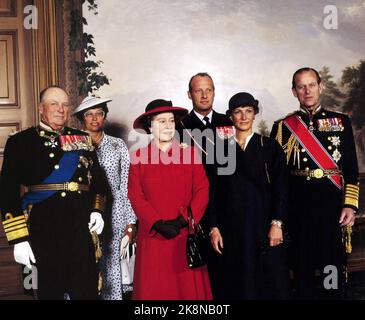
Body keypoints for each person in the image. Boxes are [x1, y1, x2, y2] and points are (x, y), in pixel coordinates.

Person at [0, 86, 108, 299]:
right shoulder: (21, 142)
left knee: (86, 293)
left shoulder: (82, 139)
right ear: (41, 109)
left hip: (81, 232)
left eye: (65, 104)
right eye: (54, 104)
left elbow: (99, 182)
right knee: (48, 293)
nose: (61, 109)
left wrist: (97, 210)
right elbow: (7, 193)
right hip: (42, 232)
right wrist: (19, 239)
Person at [270, 67, 359, 299]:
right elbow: (277, 177)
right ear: (294, 91)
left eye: (311, 85)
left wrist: (349, 205)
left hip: (332, 208)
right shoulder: (282, 127)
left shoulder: (341, 122)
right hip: (298, 211)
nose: (307, 91)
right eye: (301, 86)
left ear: (321, 87)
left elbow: (350, 168)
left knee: (331, 267)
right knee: (302, 270)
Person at [128, 99, 212, 300]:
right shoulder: (139, 157)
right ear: (150, 125)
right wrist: (157, 223)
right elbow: (135, 195)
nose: (168, 126)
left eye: (171, 121)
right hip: (153, 237)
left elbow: (202, 190)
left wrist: (183, 220)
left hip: (184, 235)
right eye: (161, 121)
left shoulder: (190, 154)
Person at [209, 92, 290, 299]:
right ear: (231, 116)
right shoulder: (221, 150)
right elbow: (214, 192)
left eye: (248, 111)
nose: (243, 117)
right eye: (238, 112)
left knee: (268, 284)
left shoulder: (270, 147)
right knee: (236, 286)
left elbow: (281, 188)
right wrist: (214, 228)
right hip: (232, 231)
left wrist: (277, 223)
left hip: (264, 227)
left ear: (255, 114)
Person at [73, 96, 137, 300]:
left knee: (111, 267)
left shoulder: (118, 145)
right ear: (81, 118)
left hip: (115, 213)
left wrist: (130, 222)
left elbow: (126, 184)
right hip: (82, 212)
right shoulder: (72, 145)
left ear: (105, 116)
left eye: (99, 113)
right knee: (82, 265)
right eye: (88, 114)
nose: (94, 118)